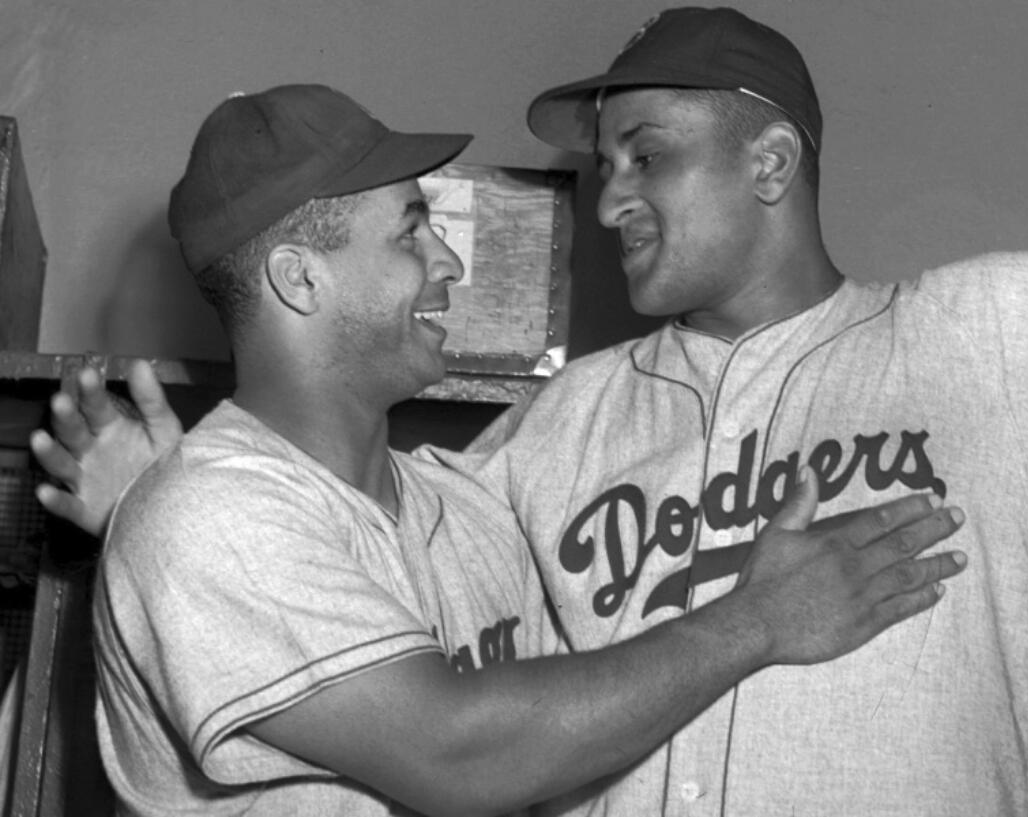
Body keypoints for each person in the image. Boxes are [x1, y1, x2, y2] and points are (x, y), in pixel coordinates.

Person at [32, 7, 1028, 816]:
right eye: (601, 167)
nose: (606, 203)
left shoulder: (982, 338)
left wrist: (163, 500)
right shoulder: (557, 428)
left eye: (643, 157)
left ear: (768, 162)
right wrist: (163, 507)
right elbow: (327, 564)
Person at [63, 82, 967, 816]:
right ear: (301, 278)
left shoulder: (466, 512)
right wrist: (761, 619)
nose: (449, 265)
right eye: (412, 231)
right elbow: (458, 751)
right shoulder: (207, 517)